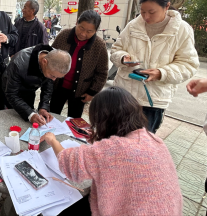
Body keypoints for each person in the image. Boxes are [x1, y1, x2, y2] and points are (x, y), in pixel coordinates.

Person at [42, 86, 182, 216]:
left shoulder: (113, 150)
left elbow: (71, 163)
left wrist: (53, 140)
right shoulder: (154, 140)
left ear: (103, 120)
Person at [111, 0, 199, 133]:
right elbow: (116, 49)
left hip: (153, 100)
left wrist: (161, 73)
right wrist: (122, 57)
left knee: (142, 145)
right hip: (124, 94)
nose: (146, 17)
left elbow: (189, 64)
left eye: (151, 12)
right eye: (143, 11)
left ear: (167, 6)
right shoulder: (133, 25)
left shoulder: (182, 30)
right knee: (113, 137)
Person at [51, 10, 108, 118]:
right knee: (52, 116)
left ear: (95, 31)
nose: (83, 34)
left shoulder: (99, 46)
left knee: (74, 122)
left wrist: (92, 92)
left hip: (81, 92)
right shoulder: (64, 35)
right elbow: (51, 56)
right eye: (81, 28)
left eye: (89, 31)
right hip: (58, 87)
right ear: (77, 22)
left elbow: (102, 72)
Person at [3, 45, 71, 125]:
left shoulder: (54, 58)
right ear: (44, 62)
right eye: (53, 75)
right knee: (14, 120)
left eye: (57, 77)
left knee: (29, 119)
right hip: (10, 89)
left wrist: (43, 107)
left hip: (30, 89)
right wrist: (30, 114)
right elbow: (11, 94)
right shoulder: (19, 63)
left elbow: (48, 85)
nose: (54, 79)